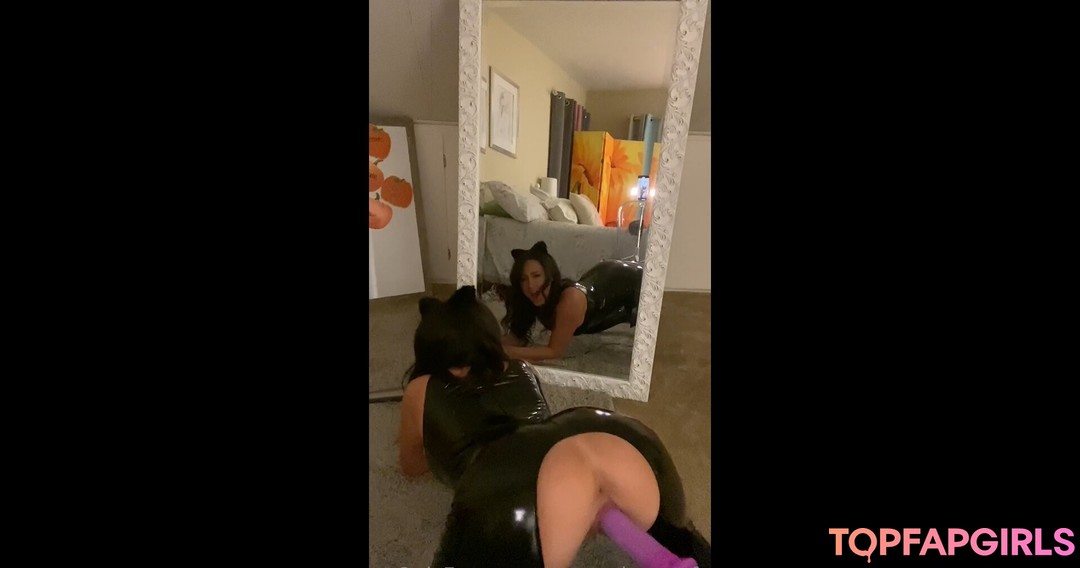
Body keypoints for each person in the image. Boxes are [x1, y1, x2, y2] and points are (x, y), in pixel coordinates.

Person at [398, 285, 710, 568]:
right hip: (599, 429)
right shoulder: (522, 367)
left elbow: (412, 465)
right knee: (594, 488)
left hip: (506, 480)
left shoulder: (421, 389)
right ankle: (656, 552)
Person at [501, 240, 644, 363]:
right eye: (523, 279)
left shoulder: (570, 300)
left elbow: (554, 351)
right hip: (603, 274)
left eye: (536, 275)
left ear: (550, 276)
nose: (530, 285)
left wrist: (505, 352)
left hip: (631, 280)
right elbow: (516, 338)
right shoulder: (528, 296)